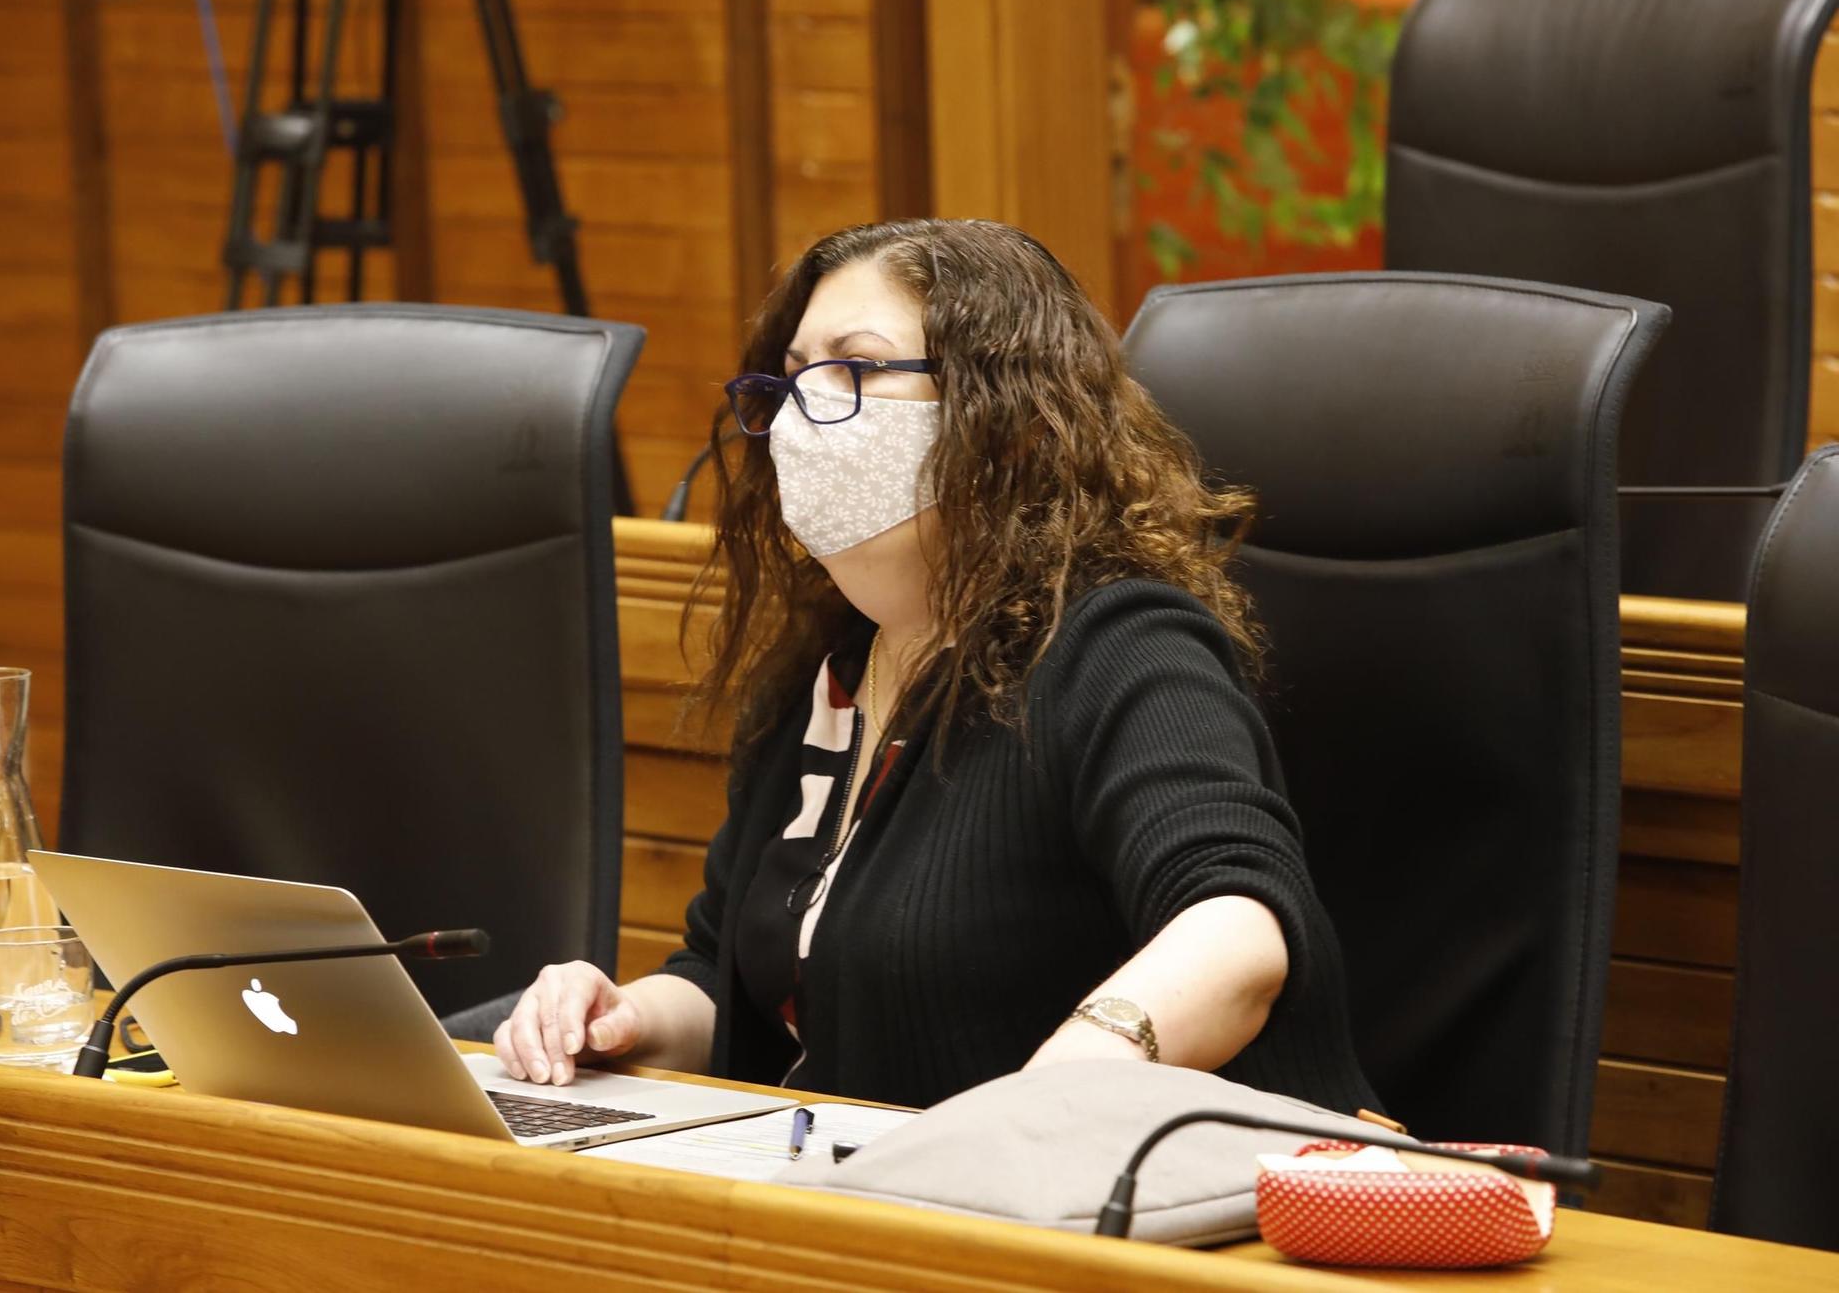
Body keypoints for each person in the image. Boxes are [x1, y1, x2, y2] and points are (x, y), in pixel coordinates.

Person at [493, 218, 1379, 1113]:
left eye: (852, 368)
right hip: (864, 1201)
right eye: (792, 376)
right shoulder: (827, 673)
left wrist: (1082, 1067)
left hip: (1131, 1211)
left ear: (1013, 424)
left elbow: (1238, 929)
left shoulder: (1123, 642)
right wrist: (619, 1016)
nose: (804, 412)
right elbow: (730, 974)